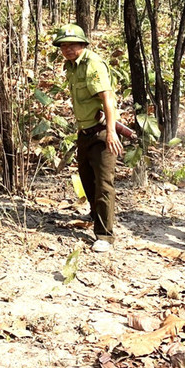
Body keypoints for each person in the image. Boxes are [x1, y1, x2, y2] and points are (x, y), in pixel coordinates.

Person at [54, 24, 124, 253]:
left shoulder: (92, 64)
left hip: (102, 131)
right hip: (84, 131)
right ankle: (96, 216)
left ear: (83, 44)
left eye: (72, 45)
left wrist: (112, 133)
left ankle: (105, 235)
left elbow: (108, 100)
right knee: (87, 179)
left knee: (104, 184)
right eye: (63, 45)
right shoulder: (71, 66)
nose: (67, 49)